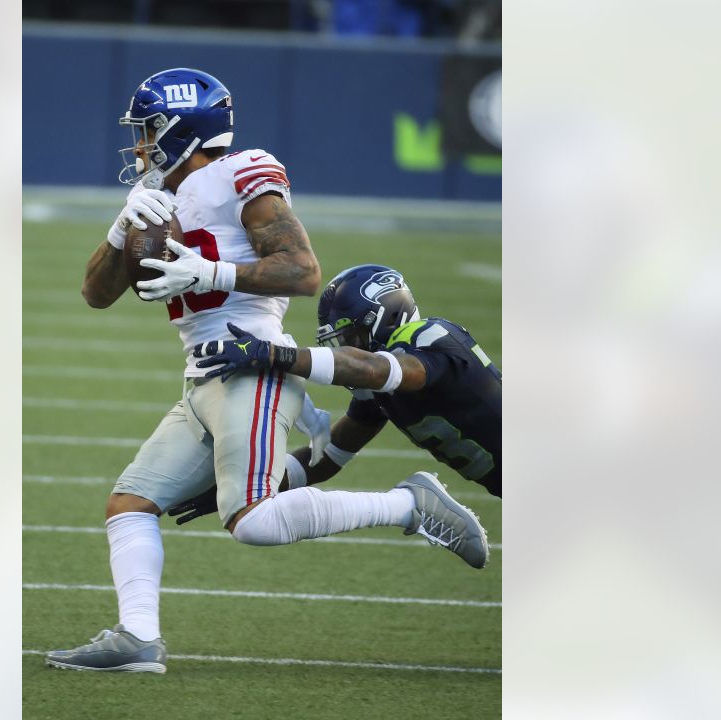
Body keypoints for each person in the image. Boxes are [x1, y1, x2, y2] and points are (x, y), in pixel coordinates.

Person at [47, 69, 488, 675]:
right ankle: (138, 638)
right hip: (204, 376)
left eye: (149, 131)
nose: (140, 146)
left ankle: (408, 505)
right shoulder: (158, 198)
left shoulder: (242, 171)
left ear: (181, 128)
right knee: (131, 502)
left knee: (252, 521)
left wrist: (212, 273)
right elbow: (97, 295)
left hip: (251, 363)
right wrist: (119, 227)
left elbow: (303, 271)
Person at [170, 263, 501, 525]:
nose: (346, 347)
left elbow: (376, 369)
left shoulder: (430, 337)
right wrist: (242, 488)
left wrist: (275, 355)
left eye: (351, 336)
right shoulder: (379, 391)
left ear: (385, 318)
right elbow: (326, 459)